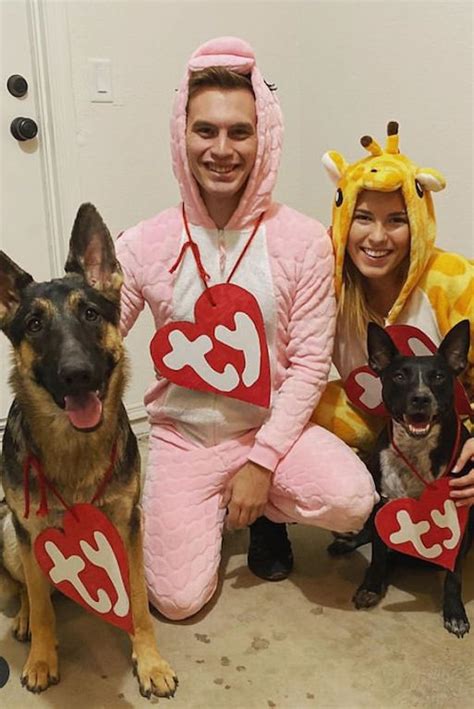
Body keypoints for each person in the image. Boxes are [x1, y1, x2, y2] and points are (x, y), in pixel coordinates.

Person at [116, 36, 377, 620]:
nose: (222, 149)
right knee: (177, 602)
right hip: (184, 437)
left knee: (353, 499)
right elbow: (97, 338)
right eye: (205, 130)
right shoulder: (143, 244)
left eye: (240, 131)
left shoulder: (303, 241)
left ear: (266, 138)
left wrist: (260, 465)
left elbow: (310, 363)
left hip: (270, 435)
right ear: (181, 135)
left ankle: (264, 518)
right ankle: (206, 507)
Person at [311, 122, 474, 551]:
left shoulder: (452, 279)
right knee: (305, 405)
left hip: (460, 427)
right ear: (345, 219)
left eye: (396, 220)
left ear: (417, 223)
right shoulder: (325, 282)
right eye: (363, 218)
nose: (378, 238)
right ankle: (363, 504)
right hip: (381, 422)